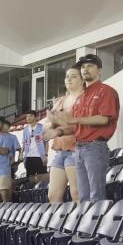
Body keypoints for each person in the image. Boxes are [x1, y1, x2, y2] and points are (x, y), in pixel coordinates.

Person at [57, 54, 120, 202]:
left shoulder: (106, 91)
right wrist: (60, 131)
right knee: (83, 196)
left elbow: (104, 119)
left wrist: (74, 119)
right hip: (79, 149)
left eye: (90, 66)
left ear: (99, 70)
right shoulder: (81, 97)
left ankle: (98, 224)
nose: (85, 69)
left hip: (95, 147)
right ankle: (87, 225)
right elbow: (78, 125)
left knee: (96, 195)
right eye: (83, 67)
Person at [47, 65, 84, 203]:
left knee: (76, 193)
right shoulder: (61, 101)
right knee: (53, 195)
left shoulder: (84, 99)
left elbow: (81, 125)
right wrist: (54, 123)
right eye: (67, 76)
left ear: (82, 80)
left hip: (76, 150)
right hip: (60, 151)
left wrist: (58, 124)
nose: (69, 79)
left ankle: (82, 224)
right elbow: (48, 123)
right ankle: (59, 224)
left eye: (73, 76)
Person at [19, 110, 63, 185]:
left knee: (42, 178)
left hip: (40, 156)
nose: (28, 118)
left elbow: (46, 142)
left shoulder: (42, 127)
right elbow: (24, 142)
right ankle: (31, 195)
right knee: (30, 179)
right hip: (29, 157)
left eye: (31, 116)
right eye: (27, 116)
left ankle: (43, 195)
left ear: (35, 117)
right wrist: (21, 153)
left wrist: (45, 155)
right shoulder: (25, 129)